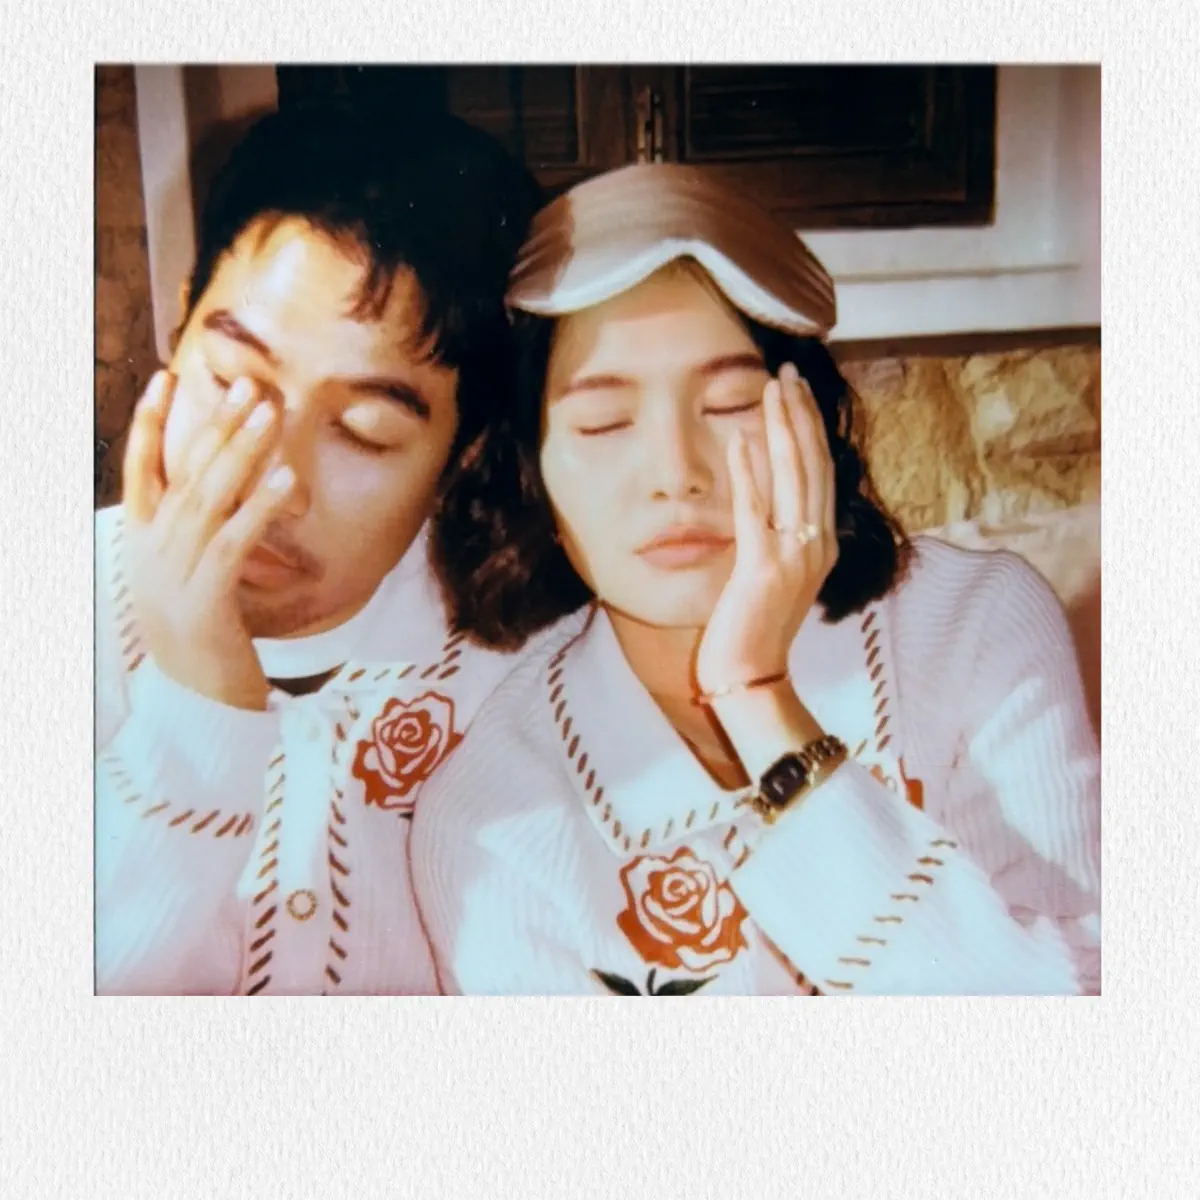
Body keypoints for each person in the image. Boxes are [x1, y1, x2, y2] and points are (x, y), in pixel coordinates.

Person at [411, 163, 1102, 995]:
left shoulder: (976, 624)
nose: (676, 472)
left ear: (810, 423)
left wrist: (758, 695)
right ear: (534, 476)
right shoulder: (489, 822)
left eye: (731, 404)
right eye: (604, 422)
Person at [94, 102, 578, 995]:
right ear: (180, 327)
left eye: (362, 431)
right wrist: (198, 709)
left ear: (464, 454)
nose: (272, 481)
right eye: (231, 382)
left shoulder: (532, 663)